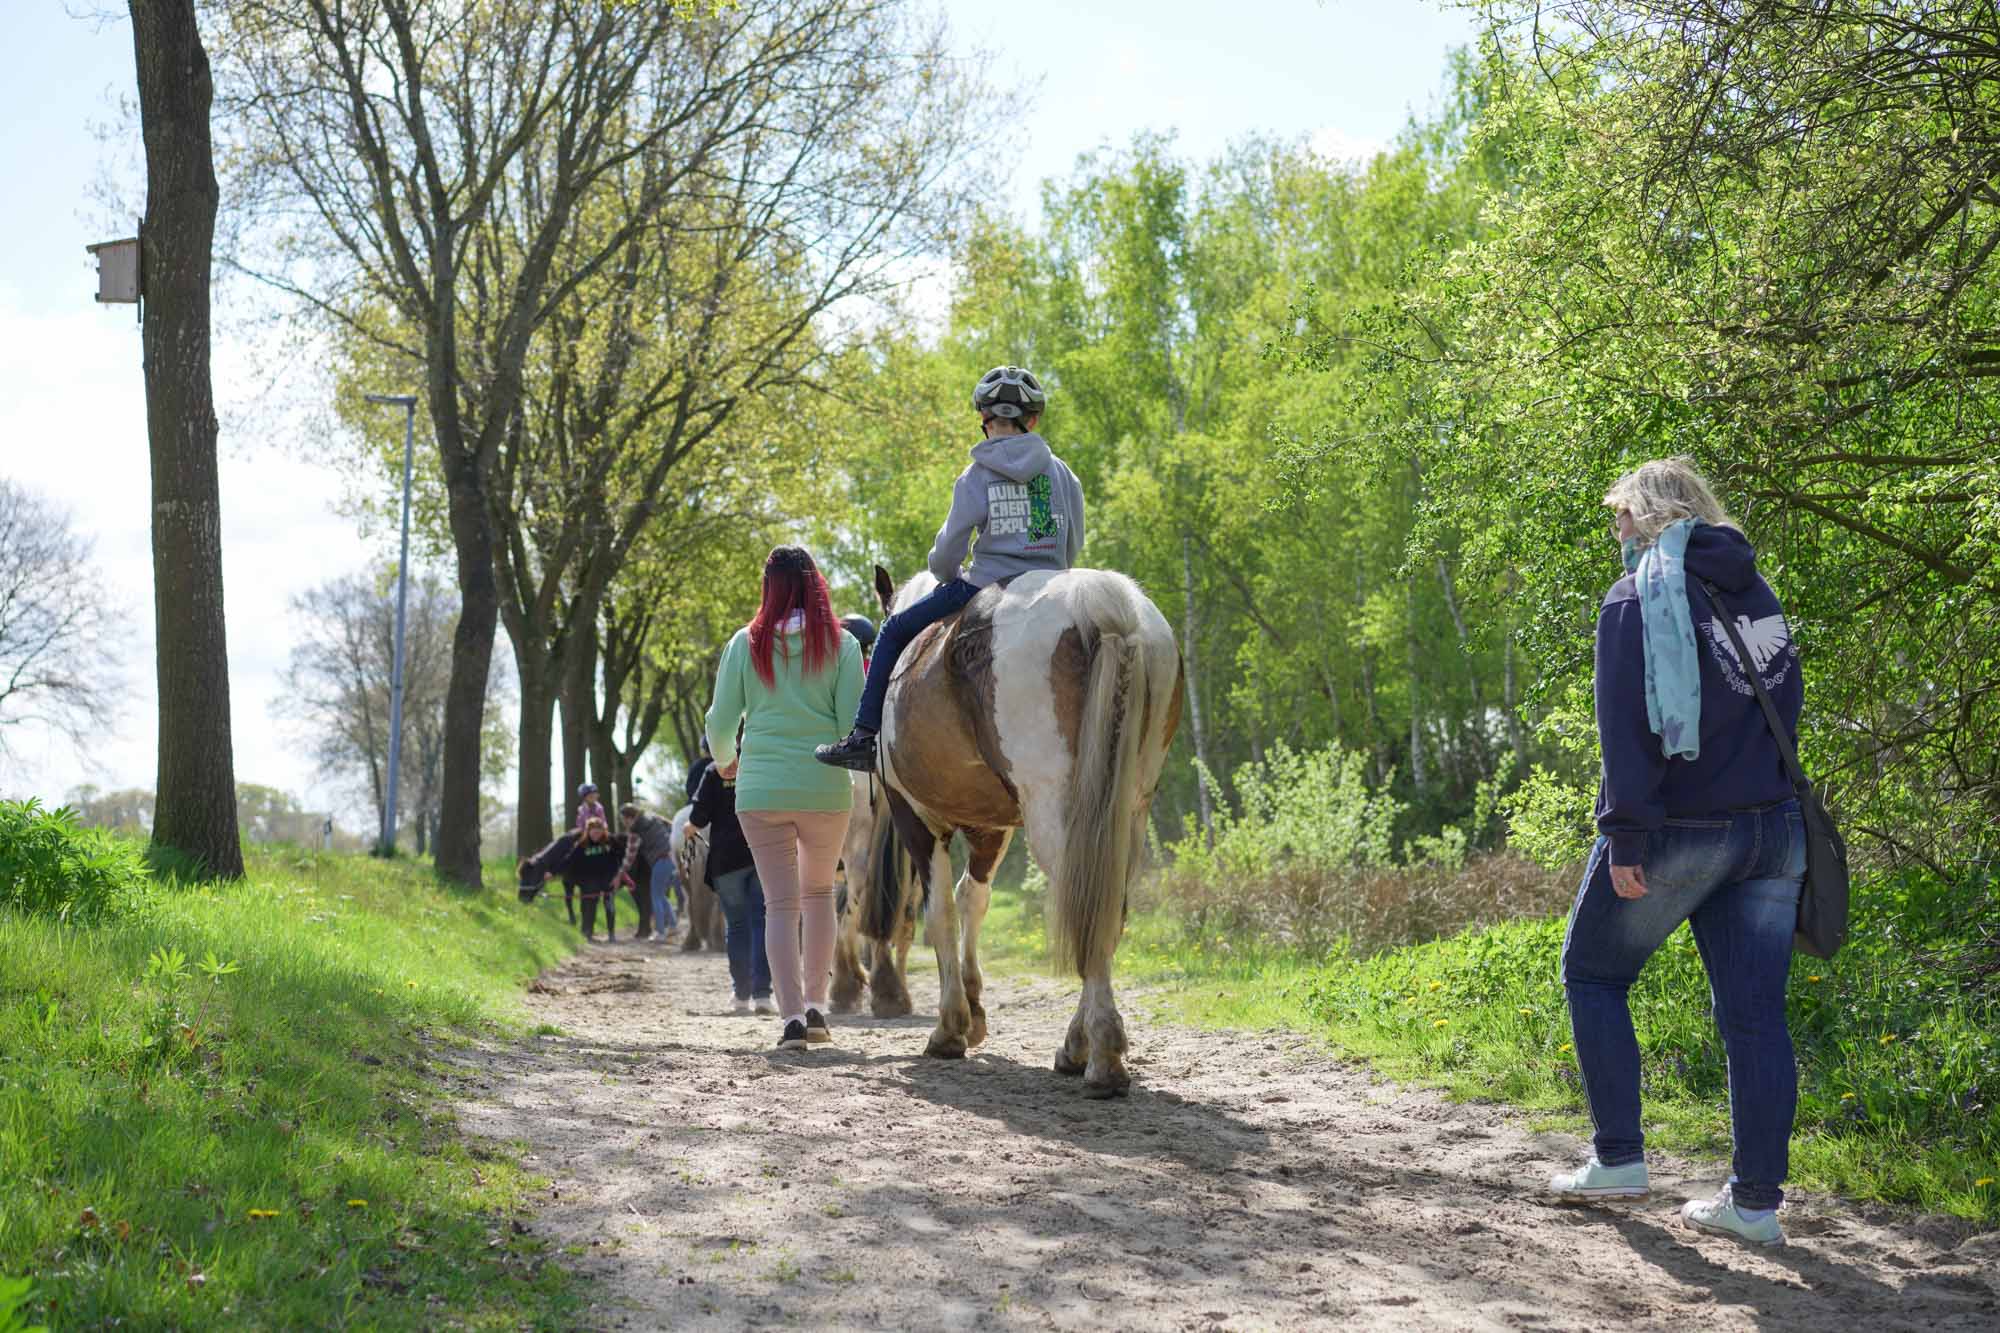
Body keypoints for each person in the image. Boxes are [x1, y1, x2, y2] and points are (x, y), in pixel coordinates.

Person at [1548, 457, 1807, 1246]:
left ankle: (1619, 1156)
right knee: (1756, 1017)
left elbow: (1625, 730)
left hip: (1681, 829)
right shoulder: (1757, 592)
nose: (1615, 533)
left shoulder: (1635, 599)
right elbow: (1786, 701)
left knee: (1592, 972)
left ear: (1652, 516)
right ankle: (1755, 1205)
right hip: (1774, 828)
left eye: (1620, 516)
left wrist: (1627, 831)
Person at [817, 365, 1083, 771]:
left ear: (984, 419)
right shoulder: (1062, 474)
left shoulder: (976, 475)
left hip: (985, 588)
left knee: (891, 631)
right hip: (1052, 586)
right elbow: (1073, 542)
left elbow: (945, 558)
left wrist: (948, 576)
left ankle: (864, 737)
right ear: (1032, 420)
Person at [707, 545, 863, 1049]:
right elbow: (849, 726)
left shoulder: (744, 644)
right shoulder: (841, 646)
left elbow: (720, 719)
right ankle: (817, 1011)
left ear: (768, 587)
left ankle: (790, 1019)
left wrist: (726, 756)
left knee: (779, 904)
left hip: (762, 789)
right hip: (823, 787)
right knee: (820, 896)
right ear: (815, 583)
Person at [688, 751, 773, 1013]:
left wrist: (688, 828)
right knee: (763, 923)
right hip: (761, 854)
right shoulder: (761, 763)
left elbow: (699, 817)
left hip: (726, 861)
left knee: (737, 926)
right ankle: (762, 995)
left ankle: (741, 994)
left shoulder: (714, 771)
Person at [520, 815, 634, 942]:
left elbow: (621, 857)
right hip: (589, 878)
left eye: (599, 831)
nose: (596, 834)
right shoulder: (581, 845)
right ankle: (587, 933)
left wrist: (619, 875)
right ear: (588, 831)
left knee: (609, 904)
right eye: (593, 831)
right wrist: (552, 872)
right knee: (588, 904)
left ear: (603, 831)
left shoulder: (611, 841)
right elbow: (568, 860)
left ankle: (611, 934)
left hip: (608, 877)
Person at [619, 802, 680, 942]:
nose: (624, 823)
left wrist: (621, 872)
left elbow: (630, 856)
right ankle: (672, 926)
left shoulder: (635, 830)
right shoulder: (653, 817)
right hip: (672, 858)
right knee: (660, 895)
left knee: (655, 897)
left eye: (623, 820)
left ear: (628, 818)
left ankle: (660, 933)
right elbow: (672, 826)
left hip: (660, 860)